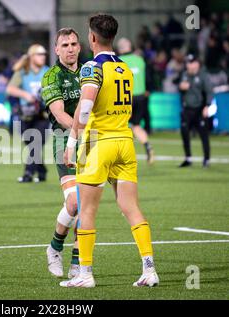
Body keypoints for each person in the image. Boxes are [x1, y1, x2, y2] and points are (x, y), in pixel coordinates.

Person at [61, 13, 159, 288]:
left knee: (88, 210)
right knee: (131, 207)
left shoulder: (92, 67)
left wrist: (72, 142)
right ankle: (149, 268)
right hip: (125, 144)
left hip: (99, 144)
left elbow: (86, 105)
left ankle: (86, 274)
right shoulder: (125, 67)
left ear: (92, 37)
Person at [41, 28, 82, 279]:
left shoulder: (90, 72)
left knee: (87, 206)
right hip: (64, 141)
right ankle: (55, 248)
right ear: (56, 49)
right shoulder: (51, 76)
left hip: (94, 141)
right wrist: (83, 132)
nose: (69, 48)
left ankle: (78, 263)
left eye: (73, 44)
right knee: (75, 202)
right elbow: (60, 115)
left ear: (79, 47)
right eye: (64, 44)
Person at [6, 45, 50, 183]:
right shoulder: (23, 72)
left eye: (44, 54)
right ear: (31, 56)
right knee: (31, 144)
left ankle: (28, 173)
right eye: (39, 54)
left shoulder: (48, 71)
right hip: (26, 115)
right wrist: (25, 95)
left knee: (36, 143)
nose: (42, 56)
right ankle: (42, 170)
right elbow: (10, 89)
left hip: (43, 115)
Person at [117, 37, 154, 164]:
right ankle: (148, 146)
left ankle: (125, 155)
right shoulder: (140, 60)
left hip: (127, 98)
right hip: (141, 97)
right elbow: (148, 77)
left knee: (123, 127)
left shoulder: (119, 62)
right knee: (136, 125)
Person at [178, 54, 213, 168]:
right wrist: (181, 87)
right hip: (187, 109)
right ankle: (188, 158)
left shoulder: (203, 75)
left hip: (199, 110)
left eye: (191, 63)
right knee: (184, 133)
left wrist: (207, 106)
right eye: (187, 63)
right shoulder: (184, 74)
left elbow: (209, 91)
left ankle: (206, 159)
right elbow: (180, 86)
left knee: (203, 135)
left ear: (196, 63)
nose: (188, 65)